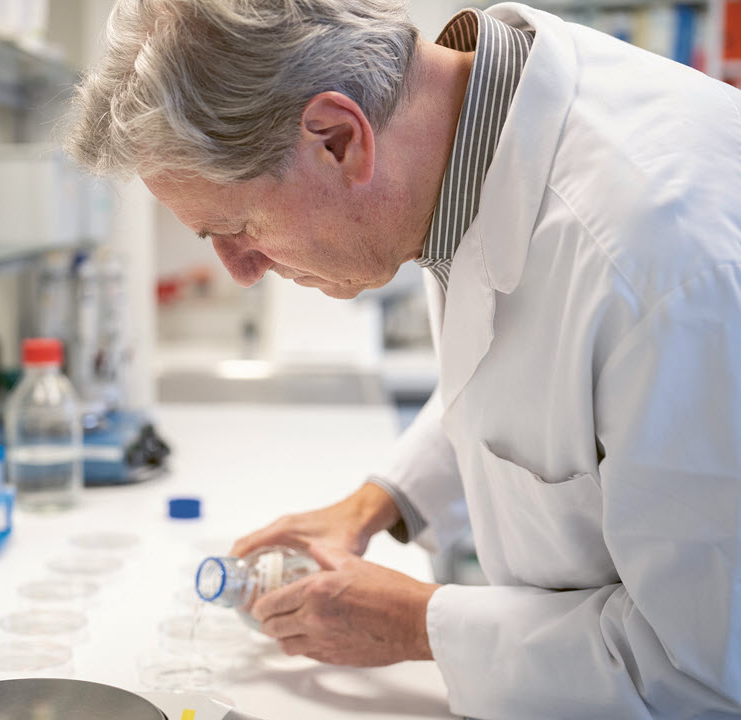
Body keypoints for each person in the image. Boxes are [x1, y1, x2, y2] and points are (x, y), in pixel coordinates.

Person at [65, 0, 741, 717]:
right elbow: (526, 369)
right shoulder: (463, 142)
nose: (241, 271)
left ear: (335, 139)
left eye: (238, 228)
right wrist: (371, 505)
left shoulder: (660, 268)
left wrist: (416, 623)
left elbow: (704, 673)